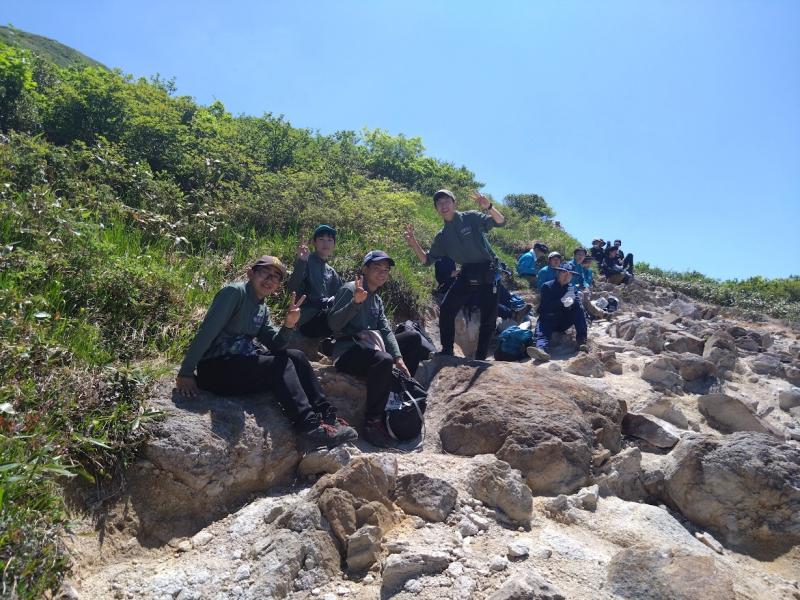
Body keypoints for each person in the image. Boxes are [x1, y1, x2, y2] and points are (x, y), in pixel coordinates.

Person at [175, 255, 357, 448]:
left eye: (276, 277)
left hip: (239, 366)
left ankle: (327, 416)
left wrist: (288, 325)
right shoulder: (234, 293)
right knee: (279, 365)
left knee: (296, 356)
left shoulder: (262, 308)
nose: (270, 280)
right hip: (215, 370)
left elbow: (276, 345)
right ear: (250, 273)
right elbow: (207, 331)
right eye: (265, 273)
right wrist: (186, 372)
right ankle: (309, 426)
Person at [328, 250, 427, 447]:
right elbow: (333, 324)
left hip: (370, 347)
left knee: (413, 338)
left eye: (386, 269)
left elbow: (386, 331)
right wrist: (355, 303)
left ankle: (398, 389)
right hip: (347, 352)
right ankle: (373, 422)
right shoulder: (350, 289)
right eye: (377, 267)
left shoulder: (376, 299)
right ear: (365, 269)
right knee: (383, 359)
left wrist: (399, 358)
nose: (382, 272)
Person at [404, 189, 506, 361]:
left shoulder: (470, 217)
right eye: (439, 203)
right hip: (467, 272)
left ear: (454, 203)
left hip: (487, 270)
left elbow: (500, 222)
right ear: (436, 209)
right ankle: (447, 350)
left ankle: (480, 358)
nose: (443, 205)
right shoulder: (442, 236)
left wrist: (489, 207)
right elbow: (427, 260)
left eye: (447, 201)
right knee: (446, 308)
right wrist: (413, 243)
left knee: (489, 317)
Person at [286, 224, 343, 338]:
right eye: (321, 239)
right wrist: (301, 261)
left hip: (324, 316)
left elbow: (341, 296)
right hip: (307, 319)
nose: (325, 243)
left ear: (334, 245)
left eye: (329, 240)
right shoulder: (306, 261)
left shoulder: (331, 271)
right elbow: (292, 289)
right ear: (314, 242)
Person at [527, 264, 588, 362]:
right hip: (549, 319)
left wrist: (573, 302)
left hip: (563, 321)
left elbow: (577, 305)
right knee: (543, 326)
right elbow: (545, 307)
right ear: (558, 273)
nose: (567, 276)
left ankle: (581, 341)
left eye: (570, 274)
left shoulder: (572, 289)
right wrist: (561, 301)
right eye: (564, 273)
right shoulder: (547, 286)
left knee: (578, 308)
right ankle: (541, 350)